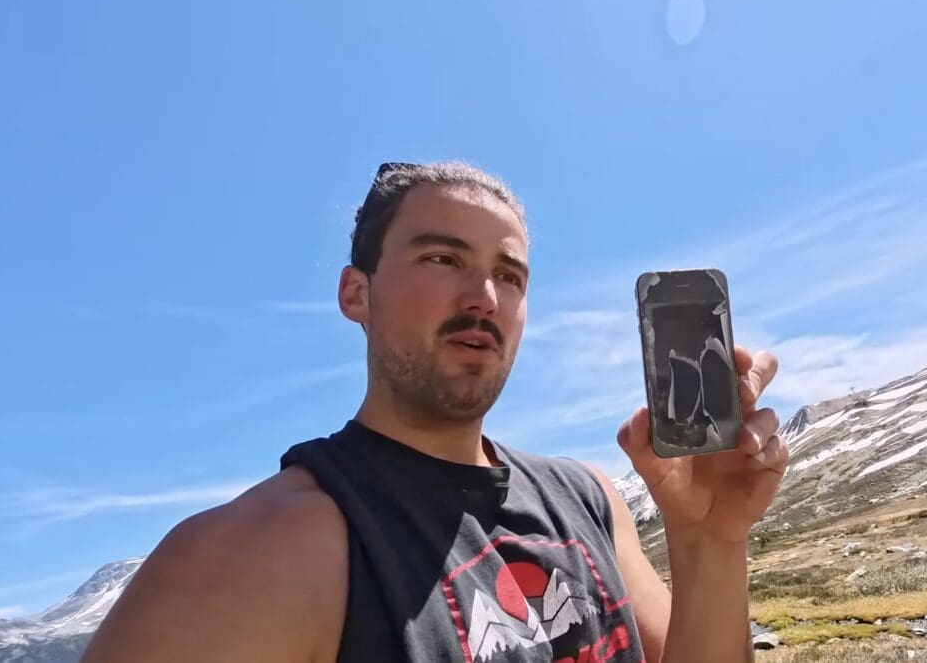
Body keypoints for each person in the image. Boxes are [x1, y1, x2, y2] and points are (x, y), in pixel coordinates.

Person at [81, 162, 787, 663]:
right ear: (356, 294)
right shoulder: (248, 557)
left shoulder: (589, 500)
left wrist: (709, 540)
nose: (485, 296)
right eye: (443, 259)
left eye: (509, 275)